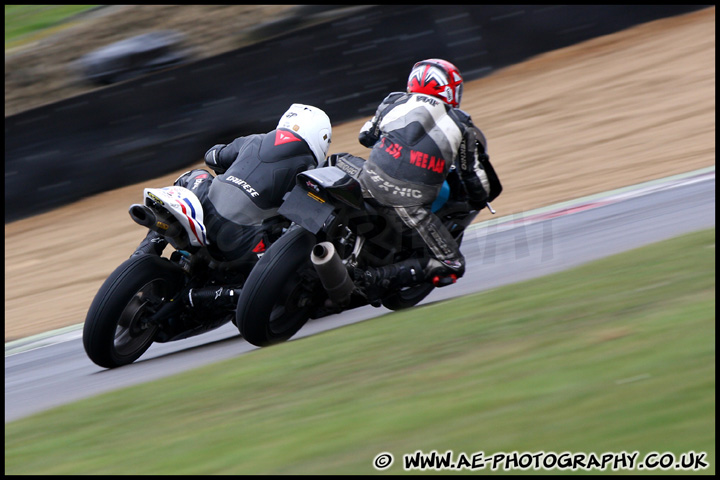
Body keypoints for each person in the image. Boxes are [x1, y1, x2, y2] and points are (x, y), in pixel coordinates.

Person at [352, 58, 501, 289]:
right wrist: (480, 199)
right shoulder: (462, 125)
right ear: (450, 89)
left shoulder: (393, 101)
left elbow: (366, 137)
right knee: (453, 264)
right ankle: (371, 279)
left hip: (367, 182)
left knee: (337, 161)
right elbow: (472, 177)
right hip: (408, 206)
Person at [133, 103, 332, 261]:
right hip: (250, 245)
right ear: (322, 138)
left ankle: (145, 251)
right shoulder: (315, 171)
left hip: (205, 219)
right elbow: (306, 219)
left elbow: (212, 156)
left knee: (195, 175)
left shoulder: (254, 140)